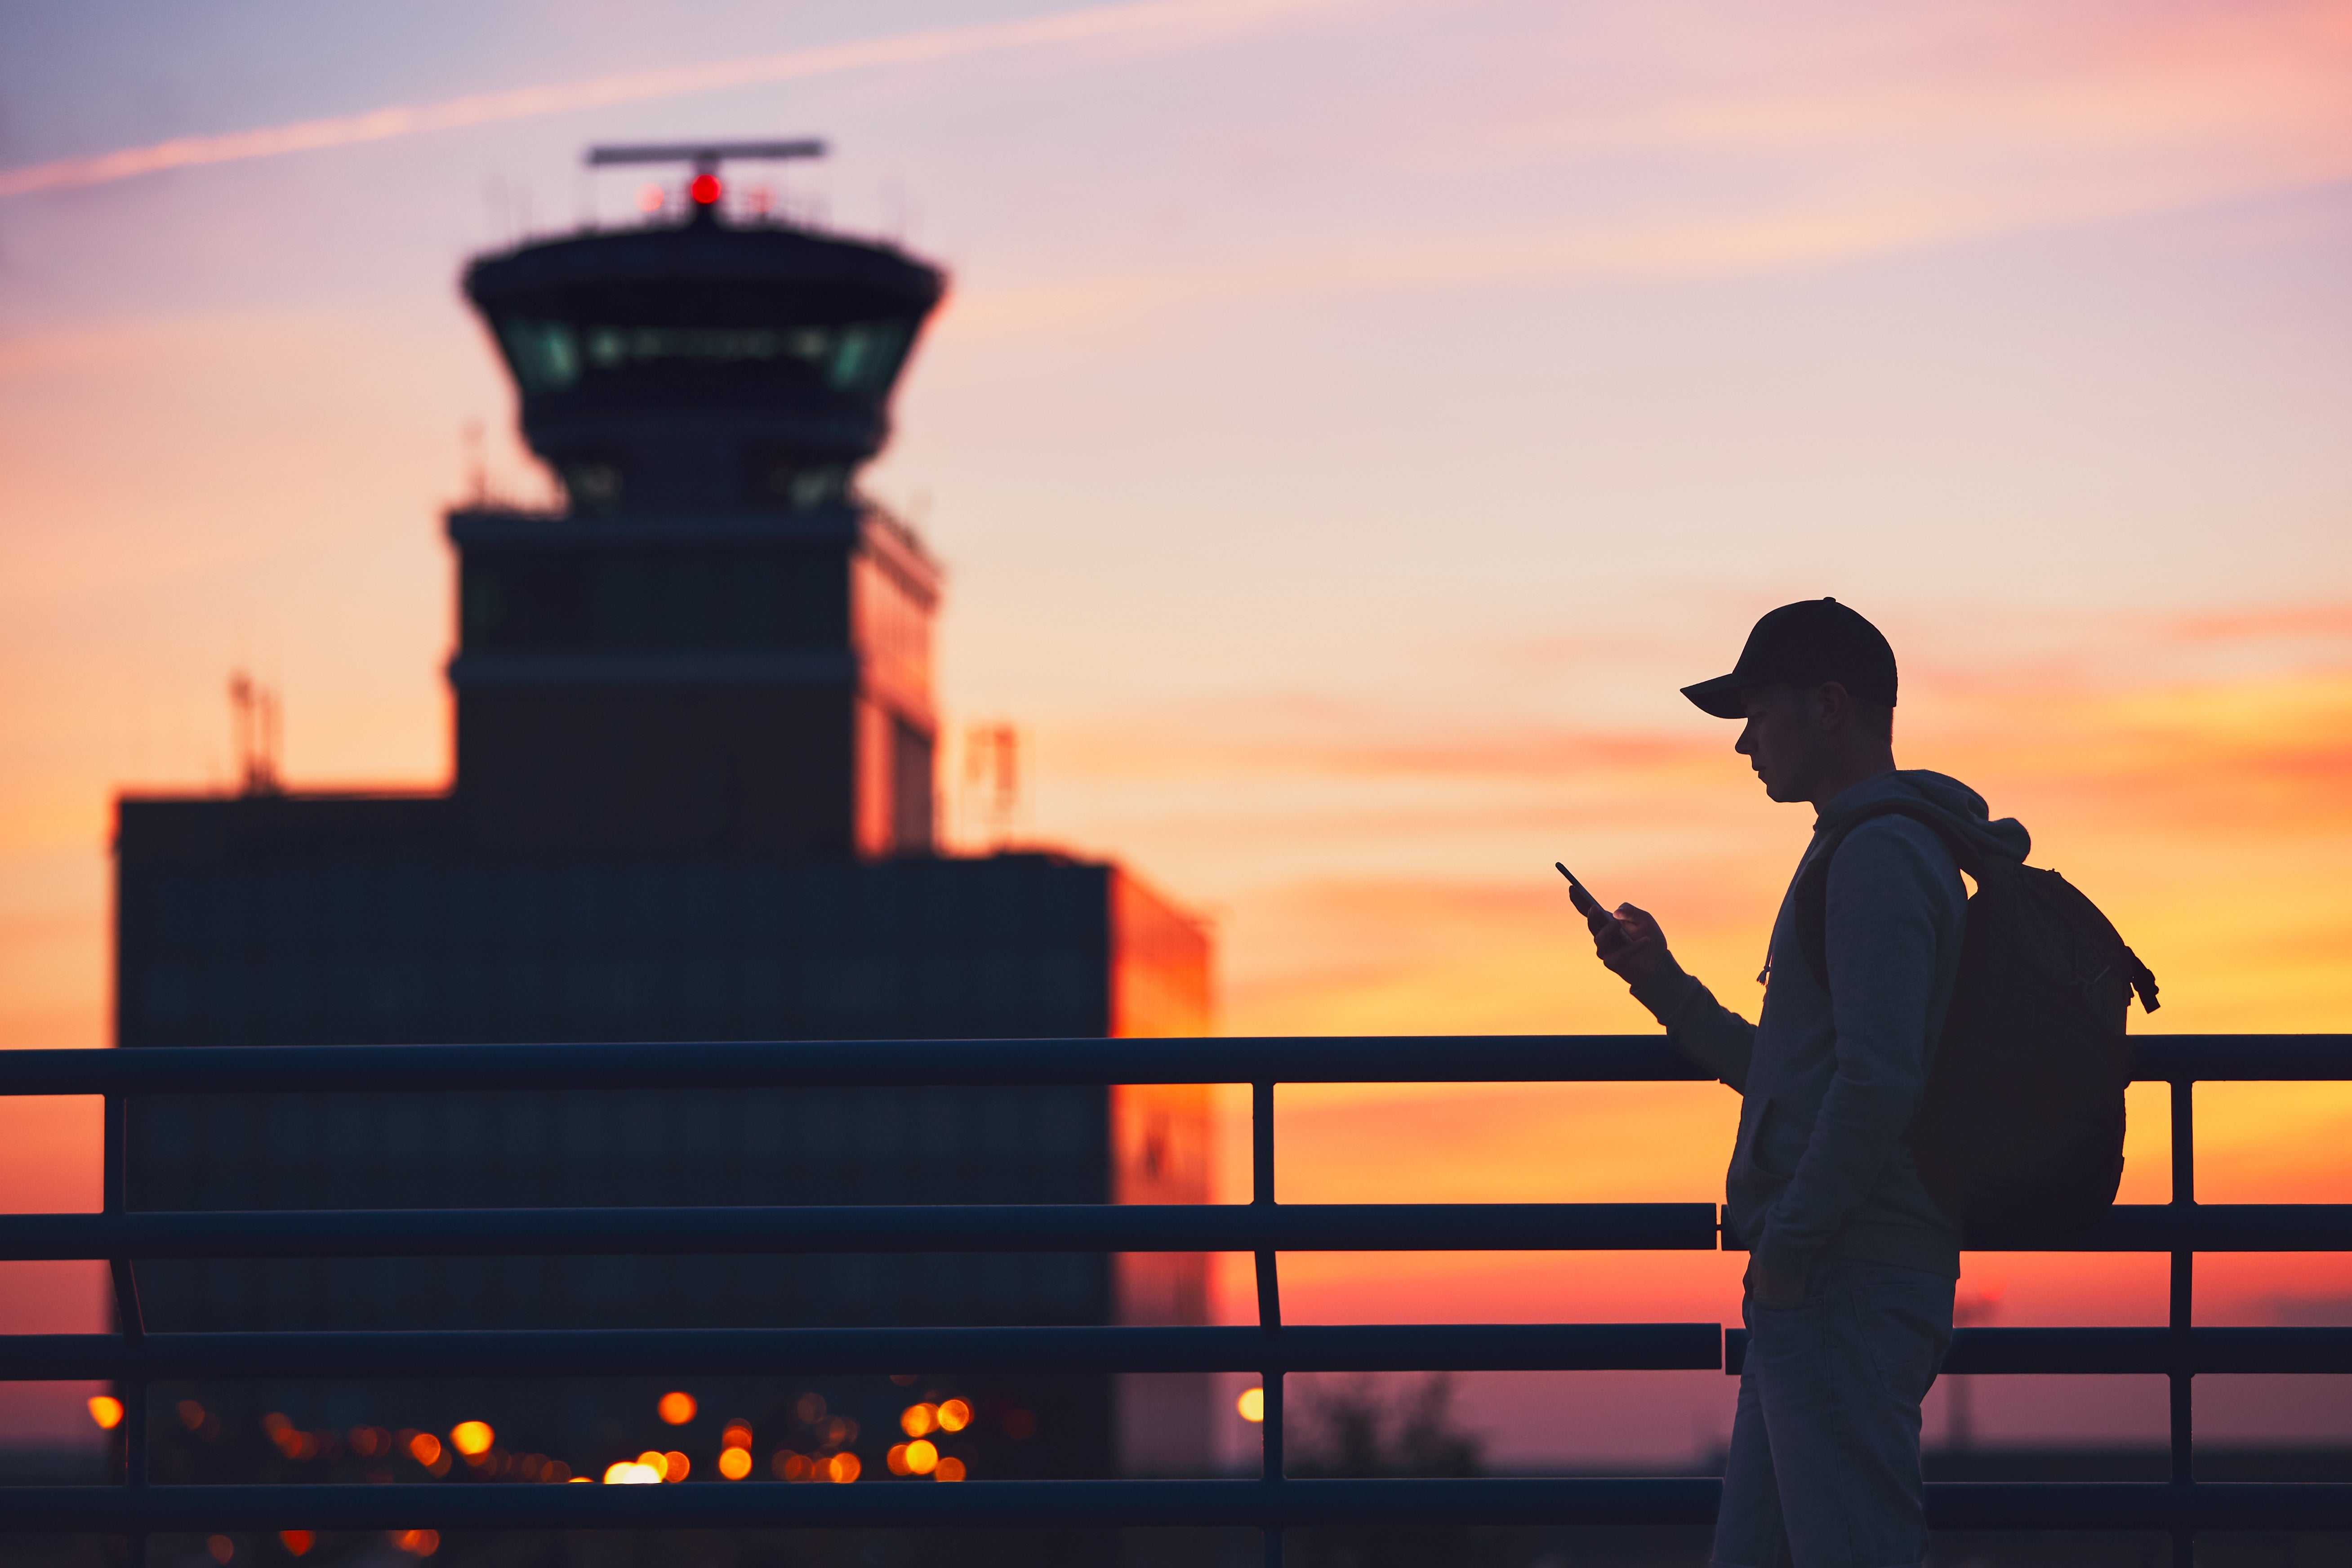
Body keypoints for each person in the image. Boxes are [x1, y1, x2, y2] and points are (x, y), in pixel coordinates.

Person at [1581, 598, 2028, 1568]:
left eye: (1758, 711)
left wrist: (1788, 1247)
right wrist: (1662, 984)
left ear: (1828, 706)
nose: (1744, 743)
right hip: (1823, 1275)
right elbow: (1797, 1081)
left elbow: (1876, 1083)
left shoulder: (1877, 858)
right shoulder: (1868, 849)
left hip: (1840, 1275)